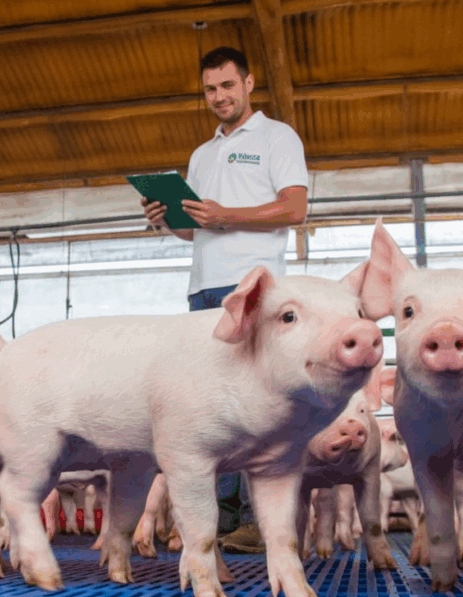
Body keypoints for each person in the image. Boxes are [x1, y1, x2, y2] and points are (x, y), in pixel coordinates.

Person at [141, 46, 309, 550]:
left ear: (249, 83)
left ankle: (257, 521)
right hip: (203, 287)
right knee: (206, 405)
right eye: (210, 89)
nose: (219, 97)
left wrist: (227, 215)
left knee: (252, 402)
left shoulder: (277, 136)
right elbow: (199, 232)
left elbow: (295, 208)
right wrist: (169, 221)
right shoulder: (202, 153)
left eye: (227, 86)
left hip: (251, 285)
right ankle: (215, 522)